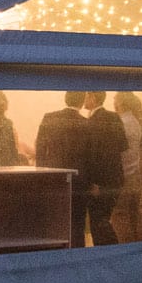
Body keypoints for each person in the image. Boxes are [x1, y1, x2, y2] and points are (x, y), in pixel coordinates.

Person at [36, 91, 94, 246]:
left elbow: (40, 149)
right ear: (81, 102)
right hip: (80, 180)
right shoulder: (87, 123)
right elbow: (90, 157)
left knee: (54, 221)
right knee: (77, 223)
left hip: (54, 177)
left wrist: (42, 173)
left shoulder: (49, 118)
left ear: (65, 98)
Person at [82, 90, 128, 246]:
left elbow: (91, 157)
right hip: (116, 178)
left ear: (93, 98)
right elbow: (123, 146)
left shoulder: (89, 123)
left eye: (87, 95)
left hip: (99, 182)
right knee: (105, 219)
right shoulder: (115, 117)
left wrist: (94, 182)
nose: (84, 98)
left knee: (98, 223)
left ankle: (107, 253)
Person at [115, 91, 142, 242]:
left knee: (120, 214)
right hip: (137, 171)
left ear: (121, 103)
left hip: (124, 174)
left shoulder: (121, 122)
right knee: (135, 213)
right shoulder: (139, 122)